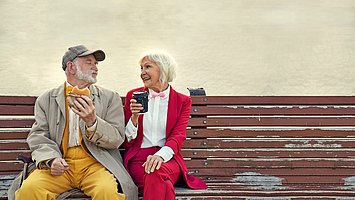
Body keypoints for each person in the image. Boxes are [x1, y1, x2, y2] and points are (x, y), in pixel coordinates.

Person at [8, 45, 138, 200]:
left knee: (107, 192)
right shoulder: (46, 99)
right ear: (71, 67)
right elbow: (38, 136)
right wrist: (51, 159)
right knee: (29, 190)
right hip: (60, 163)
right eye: (89, 62)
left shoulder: (110, 98)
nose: (95, 67)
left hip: (95, 163)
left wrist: (93, 123)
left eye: (96, 63)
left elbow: (117, 138)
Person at [123, 49, 207, 200]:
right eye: (141, 68)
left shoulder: (182, 101)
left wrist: (160, 156)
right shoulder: (133, 96)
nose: (142, 72)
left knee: (156, 173)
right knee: (162, 184)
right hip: (139, 159)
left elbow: (178, 135)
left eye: (147, 67)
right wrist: (135, 116)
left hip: (168, 158)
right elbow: (128, 141)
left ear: (162, 69)